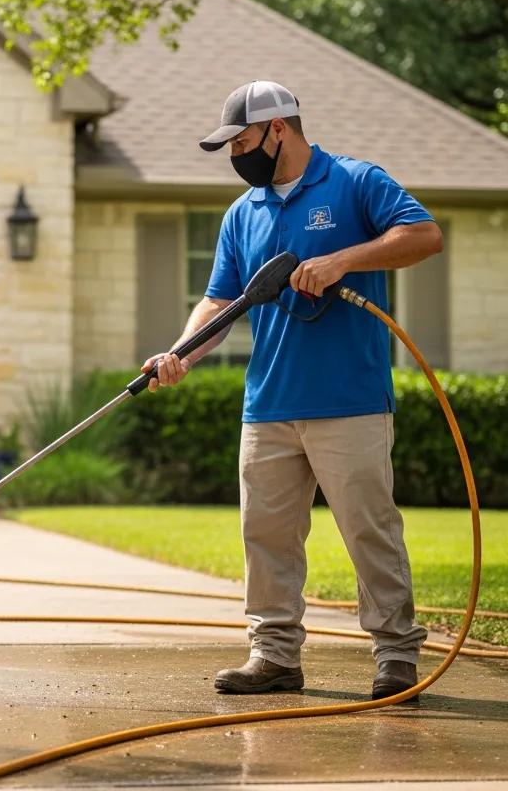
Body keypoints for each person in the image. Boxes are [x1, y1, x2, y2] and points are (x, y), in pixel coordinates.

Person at [144, 80, 443, 700]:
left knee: (368, 530)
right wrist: (182, 354)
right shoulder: (242, 213)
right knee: (267, 536)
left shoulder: (356, 181)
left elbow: (423, 235)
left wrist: (342, 261)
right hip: (269, 404)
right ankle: (274, 656)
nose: (237, 157)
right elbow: (220, 300)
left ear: (278, 130)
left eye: (243, 142)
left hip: (349, 400)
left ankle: (395, 654)